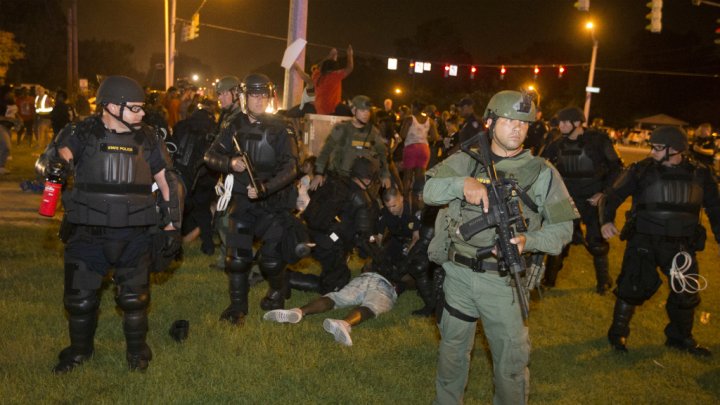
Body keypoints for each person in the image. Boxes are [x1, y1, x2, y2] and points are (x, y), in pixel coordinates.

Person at [424, 90, 577, 404]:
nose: (517, 129)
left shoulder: (541, 172)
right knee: (452, 357)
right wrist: (461, 184)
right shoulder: (466, 160)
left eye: (523, 123)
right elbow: (428, 191)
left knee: (510, 365)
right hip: (458, 277)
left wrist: (528, 242)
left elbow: (564, 228)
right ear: (490, 122)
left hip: (503, 283)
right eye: (508, 121)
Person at [37, 75, 184, 373]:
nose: (142, 113)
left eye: (142, 108)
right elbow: (52, 160)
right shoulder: (81, 132)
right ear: (112, 107)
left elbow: (168, 181)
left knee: (135, 299)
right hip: (87, 233)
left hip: (135, 234)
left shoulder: (149, 138)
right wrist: (55, 165)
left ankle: (137, 352)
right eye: (135, 108)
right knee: (79, 301)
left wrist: (172, 227)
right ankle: (79, 352)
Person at [601, 126, 720, 357]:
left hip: (682, 245)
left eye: (657, 148)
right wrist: (606, 221)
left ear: (675, 149)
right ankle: (618, 335)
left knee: (686, 293)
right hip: (644, 241)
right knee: (631, 287)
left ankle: (680, 338)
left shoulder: (700, 174)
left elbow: (715, 209)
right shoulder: (641, 171)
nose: (652, 152)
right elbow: (613, 196)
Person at [204, 73, 300, 325]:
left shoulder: (282, 127)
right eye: (253, 95)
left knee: (270, 258)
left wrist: (266, 188)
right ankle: (237, 307)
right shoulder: (234, 125)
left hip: (273, 202)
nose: (258, 101)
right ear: (245, 97)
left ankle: (278, 291)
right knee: (236, 258)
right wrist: (229, 162)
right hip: (242, 201)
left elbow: (292, 168)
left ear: (269, 98)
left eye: (263, 95)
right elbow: (209, 156)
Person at [541, 106, 623, 293]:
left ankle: (604, 281)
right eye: (559, 122)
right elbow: (541, 165)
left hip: (592, 199)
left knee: (596, 242)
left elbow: (617, 168)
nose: (560, 126)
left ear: (577, 123)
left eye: (564, 122)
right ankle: (549, 280)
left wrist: (604, 192)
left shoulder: (598, 141)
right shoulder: (556, 143)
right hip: (565, 198)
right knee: (559, 239)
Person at [288, 157, 377, 294]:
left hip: (312, 232)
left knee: (341, 275)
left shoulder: (337, 183)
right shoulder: (361, 200)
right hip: (331, 244)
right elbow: (362, 234)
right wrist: (372, 253)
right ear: (366, 179)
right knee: (332, 287)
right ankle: (287, 278)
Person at [263, 260, 397, 347]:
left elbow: (365, 266)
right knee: (371, 306)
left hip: (363, 278)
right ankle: (344, 323)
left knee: (336, 297)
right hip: (384, 283)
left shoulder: (377, 252)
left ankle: (299, 311)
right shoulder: (400, 256)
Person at [310, 95, 391, 191]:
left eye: (368, 111)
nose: (366, 114)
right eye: (362, 110)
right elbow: (325, 152)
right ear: (353, 111)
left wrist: (385, 174)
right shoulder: (341, 128)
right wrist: (319, 173)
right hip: (340, 180)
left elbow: (382, 154)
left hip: (362, 183)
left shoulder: (373, 132)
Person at [398, 100, 439, 210]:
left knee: (407, 177)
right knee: (420, 178)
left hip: (411, 148)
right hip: (424, 149)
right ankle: (418, 204)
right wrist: (423, 137)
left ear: (414, 108)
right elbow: (435, 137)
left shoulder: (409, 119)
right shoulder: (429, 121)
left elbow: (402, 135)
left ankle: (406, 203)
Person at [311, 46, 354, 115]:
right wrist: (350, 54)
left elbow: (316, 67)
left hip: (319, 109)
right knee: (354, 112)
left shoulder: (316, 76)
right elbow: (349, 68)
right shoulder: (334, 76)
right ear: (335, 69)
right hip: (332, 109)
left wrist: (330, 56)